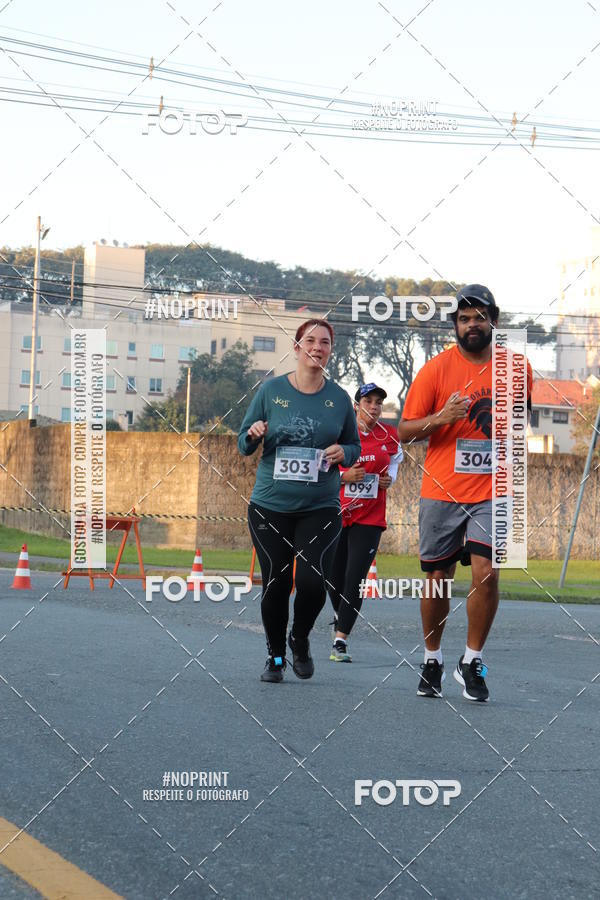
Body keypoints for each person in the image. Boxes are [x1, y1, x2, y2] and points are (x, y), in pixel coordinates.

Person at [398, 284, 532, 702]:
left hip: (495, 490)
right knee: (438, 579)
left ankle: (472, 660)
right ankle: (432, 659)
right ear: (455, 325)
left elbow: (519, 425)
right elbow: (404, 431)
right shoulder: (436, 370)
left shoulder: (517, 367)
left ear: (495, 320)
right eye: (464, 319)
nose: (472, 325)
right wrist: (441, 418)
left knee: (487, 573)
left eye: (479, 317)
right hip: (442, 491)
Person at [238, 318, 361, 683]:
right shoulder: (271, 390)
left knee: (311, 582)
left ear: (330, 351)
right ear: (296, 348)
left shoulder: (339, 399)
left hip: (320, 507)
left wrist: (345, 452)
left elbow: (354, 445)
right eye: (310, 340)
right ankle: (275, 656)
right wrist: (253, 434)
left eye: (325, 342)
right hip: (270, 506)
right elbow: (243, 443)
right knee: (276, 582)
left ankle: (300, 638)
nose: (317, 347)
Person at [328, 383, 403, 662]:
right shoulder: (339, 433)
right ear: (356, 405)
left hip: (370, 517)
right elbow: (319, 467)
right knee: (333, 577)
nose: (373, 407)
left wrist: (390, 479)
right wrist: (343, 477)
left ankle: (340, 640)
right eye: (368, 401)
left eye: (378, 402)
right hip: (336, 513)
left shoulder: (389, 434)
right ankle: (340, 615)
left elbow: (395, 460)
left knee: (355, 578)